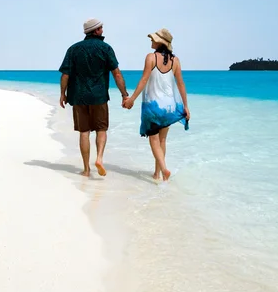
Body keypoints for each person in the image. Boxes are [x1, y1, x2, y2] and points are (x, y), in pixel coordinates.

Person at [59, 18, 129, 177]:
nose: (102, 30)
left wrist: (63, 94)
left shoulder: (73, 49)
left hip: (78, 97)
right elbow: (116, 73)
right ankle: (99, 158)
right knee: (101, 129)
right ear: (96, 30)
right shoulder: (106, 48)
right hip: (99, 96)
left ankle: (86, 169)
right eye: (101, 28)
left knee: (84, 132)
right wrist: (124, 94)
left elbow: (65, 74)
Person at [123, 28, 190, 181]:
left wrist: (132, 98)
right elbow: (181, 84)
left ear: (160, 42)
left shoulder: (150, 57)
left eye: (153, 39)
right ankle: (157, 174)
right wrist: (186, 106)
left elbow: (144, 80)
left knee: (153, 140)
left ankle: (164, 170)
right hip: (169, 107)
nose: (151, 41)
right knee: (162, 140)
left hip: (153, 107)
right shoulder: (175, 61)